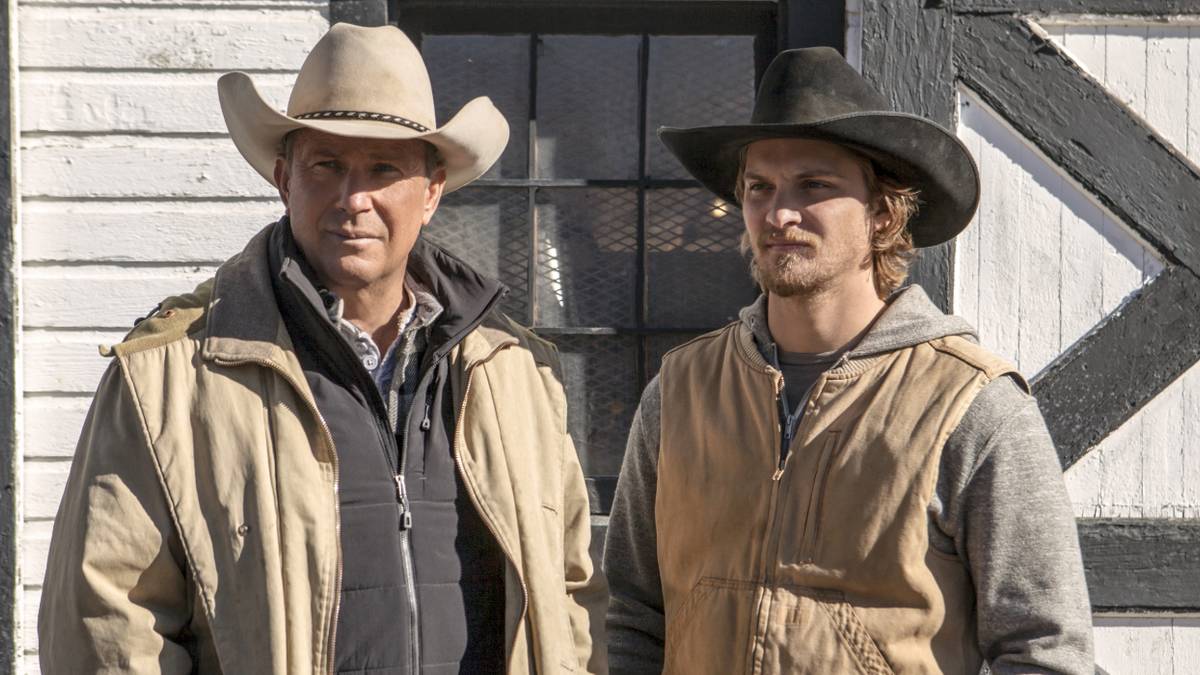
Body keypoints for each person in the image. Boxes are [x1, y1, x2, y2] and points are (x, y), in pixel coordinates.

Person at [39, 23, 607, 674]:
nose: (352, 199)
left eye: (383, 169)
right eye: (327, 165)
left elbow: (570, 600)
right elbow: (108, 626)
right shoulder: (169, 378)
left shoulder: (516, 372)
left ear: (431, 192)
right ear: (285, 179)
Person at [604, 47, 1093, 674]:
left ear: (884, 213)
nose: (779, 214)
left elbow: (1045, 650)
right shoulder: (680, 391)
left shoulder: (972, 403)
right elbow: (636, 618)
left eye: (815, 186)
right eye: (760, 188)